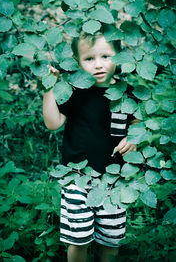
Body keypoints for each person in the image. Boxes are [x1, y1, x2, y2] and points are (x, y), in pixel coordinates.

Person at [42, 30, 138, 262]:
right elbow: (53, 123)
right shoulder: (74, 90)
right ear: (76, 61)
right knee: (78, 240)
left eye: (106, 56)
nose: (99, 65)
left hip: (114, 182)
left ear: (119, 56)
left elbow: (137, 121)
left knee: (110, 241)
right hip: (76, 179)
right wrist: (50, 88)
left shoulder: (126, 92)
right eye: (89, 59)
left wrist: (135, 137)